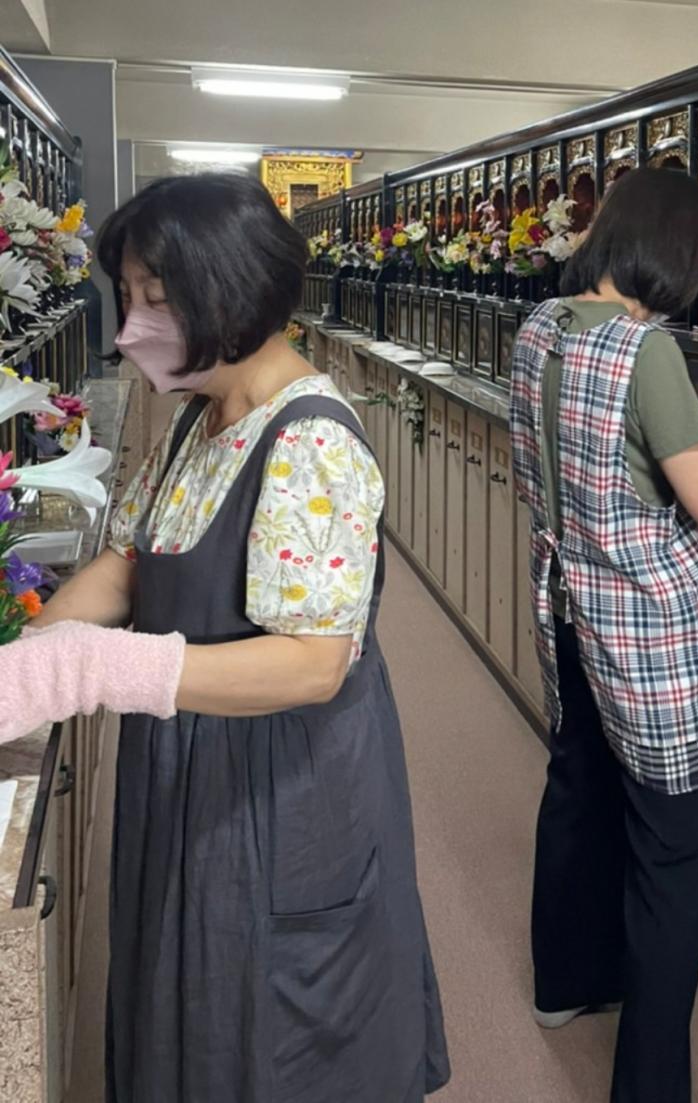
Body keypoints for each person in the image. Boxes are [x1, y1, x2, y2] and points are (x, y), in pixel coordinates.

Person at [0, 174, 449, 1103]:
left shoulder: (311, 440)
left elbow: (316, 659)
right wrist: (37, 651)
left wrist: (104, 665)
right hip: (193, 762)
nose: (132, 326)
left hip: (277, 790)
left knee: (266, 1029)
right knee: (185, 997)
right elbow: (130, 560)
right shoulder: (202, 414)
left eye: (156, 301)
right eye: (128, 297)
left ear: (230, 294)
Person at [508, 166, 698, 1103]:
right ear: (673, 253)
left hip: (568, 608)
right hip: (645, 634)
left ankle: (566, 981)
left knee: (579, 782)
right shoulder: (642, 348)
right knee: (673, 851)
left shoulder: (541, 328)